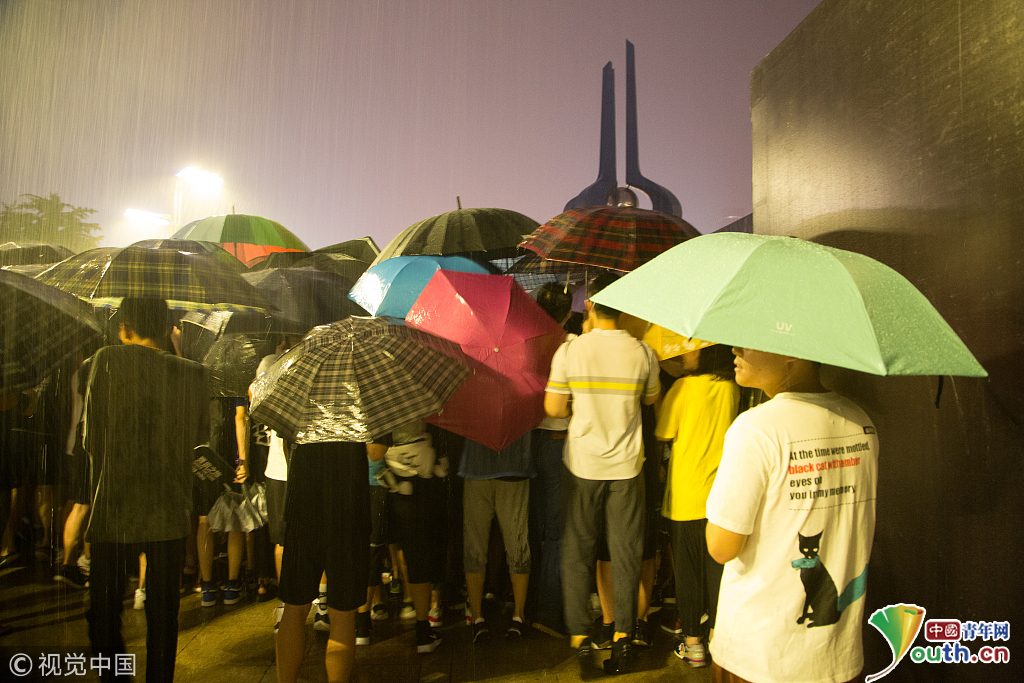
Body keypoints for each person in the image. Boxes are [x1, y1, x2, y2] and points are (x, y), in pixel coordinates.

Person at [705, 347, 878, 683]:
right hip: (836, 652)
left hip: (759, 655)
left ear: (792, 352)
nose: (735, 349)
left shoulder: (755, 429)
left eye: (750, 338)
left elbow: (722, 546)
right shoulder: (861, 422)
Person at [83, 298, 209, 683]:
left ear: (125, 327)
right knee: (163, 612)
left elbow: (92, 440)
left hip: (114, 507)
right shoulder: (194, 373)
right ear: (168, 328)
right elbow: (200, 444)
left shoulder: (106, 360)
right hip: (169, 510)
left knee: (104, 609)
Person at [544, 273, 661, 675]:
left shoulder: (571, 352)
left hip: (583, 466)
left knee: (577, 551)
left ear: (590, 305)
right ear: (624, 309)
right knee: (626, 553)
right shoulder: (644, 353)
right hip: (628, 467)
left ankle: (580, 639)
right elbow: (651, 399)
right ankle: (624, 639)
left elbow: (555, 409)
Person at [655, 344, 740, 667]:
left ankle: (693, 646)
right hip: (720, 498)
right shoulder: (731, 388)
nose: (685, 352)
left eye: (692, 348)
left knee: (688, 574)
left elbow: (663, 432)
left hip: (686, 498)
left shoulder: (683, 388)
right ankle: (720, 640)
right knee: (717, 572)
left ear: (705, 354)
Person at [527, 283, 574, 636]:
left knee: (534, 526)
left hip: (529, 440)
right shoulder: (571, 346)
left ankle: (524, 603)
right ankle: (547, 610)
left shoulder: (525, 342)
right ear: (569, 313)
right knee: (558, 531)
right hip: (559, 441)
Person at [458, 432, 534, 643]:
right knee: (516, 543)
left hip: (479, 465)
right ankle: (517, 616)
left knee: (477, 545)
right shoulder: (524, 397)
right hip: (513, 465)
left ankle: (478, 616)